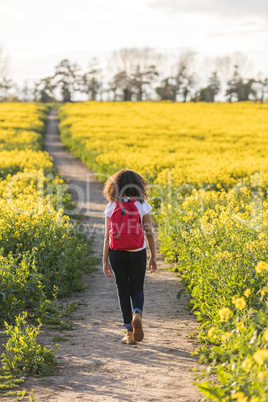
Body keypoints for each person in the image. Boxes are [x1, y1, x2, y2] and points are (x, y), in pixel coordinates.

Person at [102, 169, 157, 345]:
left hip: (117, 252)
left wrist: (105, 261)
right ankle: (137, 313)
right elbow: (149, 234)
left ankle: (129, 332)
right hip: (137, 251)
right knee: (137, 288)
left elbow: (106, 236)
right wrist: (153, 257)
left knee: (123, 290)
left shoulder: (112, 205)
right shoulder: (142, 205)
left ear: (114, 187)